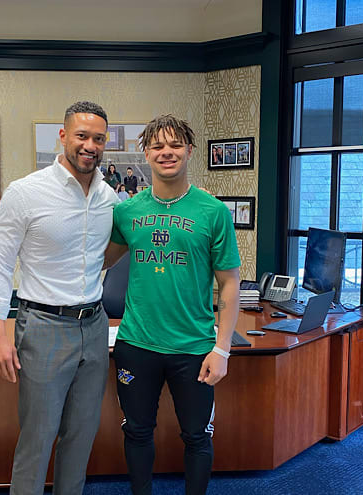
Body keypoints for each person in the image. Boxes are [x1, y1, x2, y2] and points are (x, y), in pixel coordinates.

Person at [0, 101, 119, 495]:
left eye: (97, 138)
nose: (89, 145)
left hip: (93, 327)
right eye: (81, 136)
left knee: (81, 434)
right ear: (63, 136)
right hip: (42, 326)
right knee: (39, 436)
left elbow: (114, 249)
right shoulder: (25, 193)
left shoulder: (110, 198)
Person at [103, 114, 241, 495]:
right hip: (136, 345)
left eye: (175, 144)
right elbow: (100, 261)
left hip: (194, 348)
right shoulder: (126, 212)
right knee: (136, 431)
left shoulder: (212, 212)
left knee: (197, 436)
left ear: (189, 150)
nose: (167, 152)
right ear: (145, 153)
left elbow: (229, 283)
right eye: (158, 146)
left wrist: (222, 349)